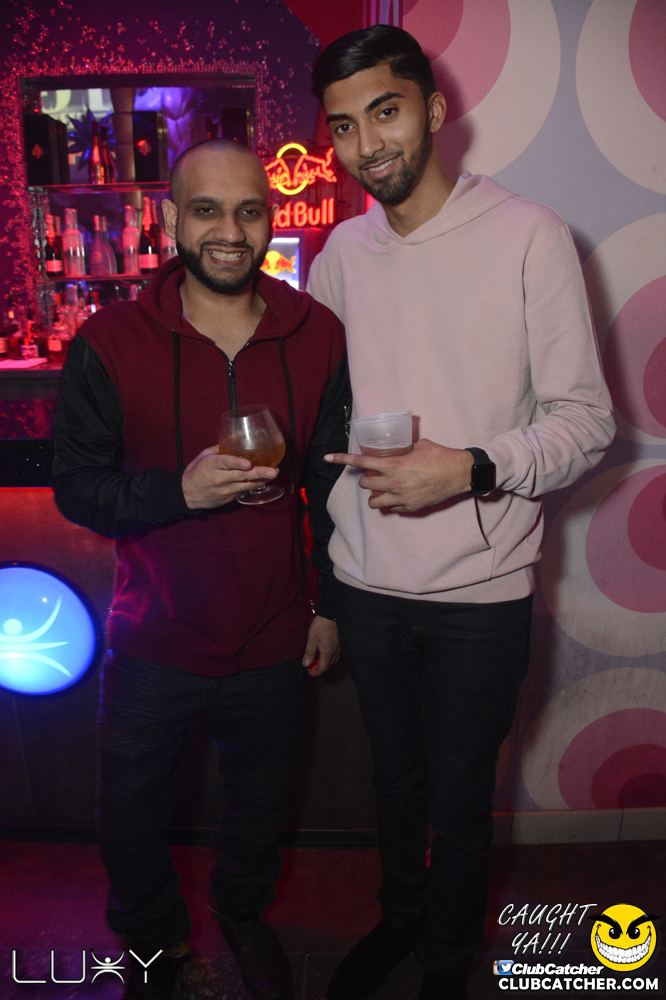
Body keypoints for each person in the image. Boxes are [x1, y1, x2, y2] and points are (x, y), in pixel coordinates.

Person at [307, 25, 615, 1000]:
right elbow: (324, 422)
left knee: (460, 799)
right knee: (392, 783)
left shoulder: (528, 235)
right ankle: (401, 914)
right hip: (366, 583)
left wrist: (472, 468)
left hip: (481, 590)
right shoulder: (337, 254)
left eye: (385, 112)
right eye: (343, 126)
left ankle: (446, 961)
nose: (367, 144)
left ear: (434, 110)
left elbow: (586, 422)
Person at [52, 139, 349, 1000]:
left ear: (268, 220)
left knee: (260, 805)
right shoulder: (109, 340)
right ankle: (153, 943)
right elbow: (78, 487)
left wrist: (329, 603)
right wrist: (175, 492)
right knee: (131, 816)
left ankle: (242, 914)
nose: (229, 230)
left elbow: (331, 482)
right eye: (207, 210)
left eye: (248, 211)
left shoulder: (317, 332)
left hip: (275, 630)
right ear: (173, 218)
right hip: (155, 633)